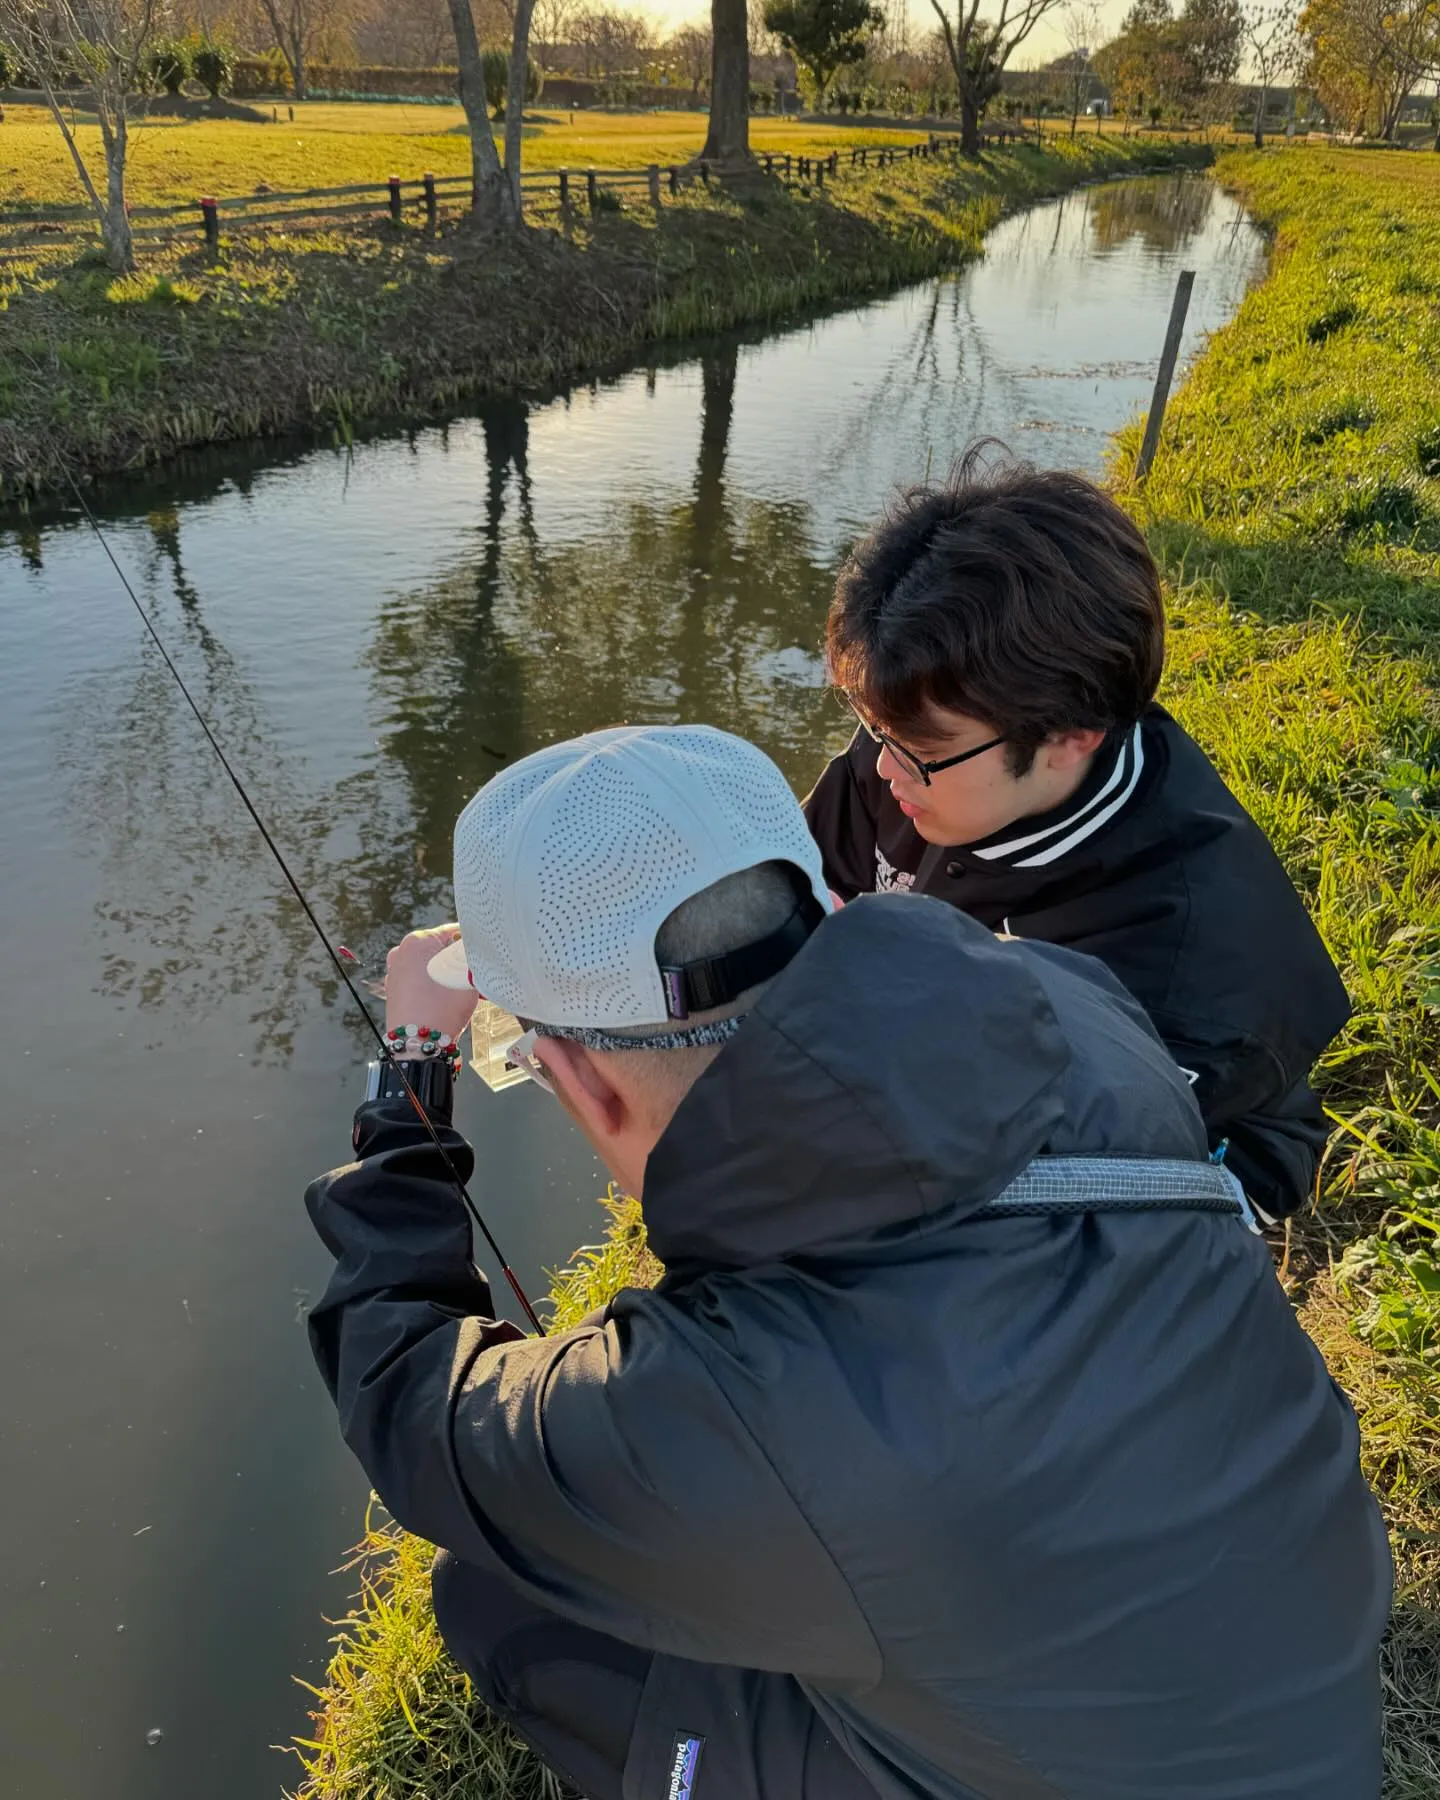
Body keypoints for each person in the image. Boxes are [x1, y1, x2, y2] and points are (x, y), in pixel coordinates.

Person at [305, 724, 1389, 1800]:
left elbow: (408, 1394)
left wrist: (410, 1072)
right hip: (1306, 1703)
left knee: (499, 1604)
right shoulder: (1071, 999)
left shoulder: (716, 1413)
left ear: (579, 1081)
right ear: (820, 912)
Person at [804, 450, 1350, 1224]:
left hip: (1180, 1159)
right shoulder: (933, 742)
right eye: (874, 729)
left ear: (1070, 736)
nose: (883, 768)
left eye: (917, 751)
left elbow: (1046, 1149)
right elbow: (800, 889)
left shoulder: (1189, 964)